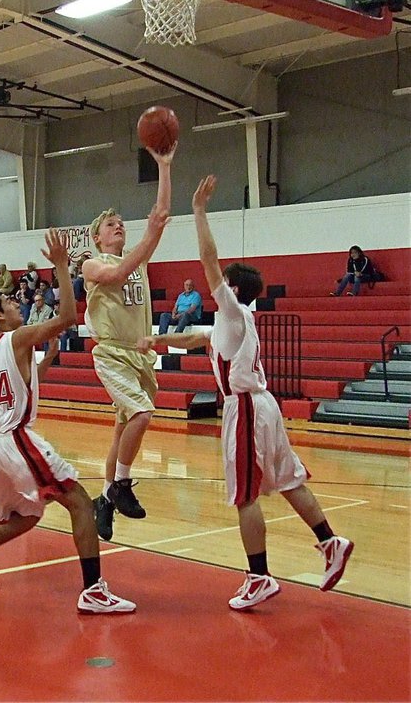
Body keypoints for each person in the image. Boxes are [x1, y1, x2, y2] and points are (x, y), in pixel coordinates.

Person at [138, 175, 354, 611]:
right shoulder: (232, 323)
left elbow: (208, 258)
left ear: (232, 290)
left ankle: (259, 577)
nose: (212, 285)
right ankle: (331, 542)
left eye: (220, 283)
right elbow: (198, 340)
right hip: (263, 405)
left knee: (244, 495)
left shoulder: (233, 310)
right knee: (290, 480)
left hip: (247, 409)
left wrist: (198, 212)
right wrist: (158, 341)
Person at [0, 229, 135, 614]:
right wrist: (63, 265)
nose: (17, 303)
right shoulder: (16, 337)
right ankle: (93, 590)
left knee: (25, 516)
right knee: (81, 503)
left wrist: (44, 360)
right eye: (10, 301)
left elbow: (23, 386)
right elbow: (67, 316)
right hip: (16, 440)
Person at [84, 143, 174, 542]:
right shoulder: (92, 264)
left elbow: (160, 217)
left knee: (121, 432)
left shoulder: (138, 261)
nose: (119, 226)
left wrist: (165, 168)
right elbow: (118, 274)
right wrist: (150, 235)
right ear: (97, 237)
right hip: (110, 354)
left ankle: (103, 500)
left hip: (140, 356)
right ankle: (120, 484)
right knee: (141, 413)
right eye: (110, 225)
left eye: (122, 223)